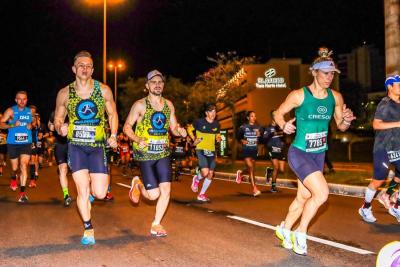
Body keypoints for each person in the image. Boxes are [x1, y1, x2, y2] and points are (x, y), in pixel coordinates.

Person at [273, 47, 355, 256]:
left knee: (303, 197)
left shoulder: (335, 97)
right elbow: (278, 112)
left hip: (318, 154)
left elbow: (341, 125)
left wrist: (345, 119)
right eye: (325, 73)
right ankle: (301, 233)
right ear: (314, 72)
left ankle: (284, 229)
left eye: (332, 74)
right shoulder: (299, 95)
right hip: (299, 152)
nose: (329, 77)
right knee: (321, 194)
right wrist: (283, 125)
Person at [54, 51, 118, 245]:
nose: (84, 68)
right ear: (74, 69)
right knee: (82, 190)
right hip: (76, 147)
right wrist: (60, 127)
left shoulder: (104, 90)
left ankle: (92, 194)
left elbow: (113, 114)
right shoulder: (65, 93)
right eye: (80, 65)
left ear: (92, 70)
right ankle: (88, 228)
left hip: (98, 147)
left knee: (99, 193)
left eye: (88, 65)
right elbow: (58, 118)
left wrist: (113, 135)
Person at [124, 70, 187, 237]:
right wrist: (137, 139)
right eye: (153, 82)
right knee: (153, 195)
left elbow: (173, 128)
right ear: (147, 86)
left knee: (166, 190)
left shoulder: (169, 105)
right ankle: (138, 183)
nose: (157, 84)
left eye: (160, 82)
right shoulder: (140, 105)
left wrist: (179, 131)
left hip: (163, 153)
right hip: (145, 153)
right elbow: (127, 127)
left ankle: (156, 224)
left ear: (163, 85)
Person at [358, 75, 400, 223]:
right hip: (383, 147)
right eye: (398, 84)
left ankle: (396, 205)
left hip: (397, 146)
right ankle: (365, 207)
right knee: (378, 180)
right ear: (390, 87)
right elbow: (376, 124)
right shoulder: (385, 103)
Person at [0, 91, 33, 203]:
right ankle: (13, 178)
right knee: (14, 168)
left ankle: (22, 193)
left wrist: (30, 125)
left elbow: (32, 124)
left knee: (23, 165)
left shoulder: (29, 112)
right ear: (16, 100)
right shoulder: (10, 110)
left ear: (27, 100)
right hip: (13, 143)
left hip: (26, 142)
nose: (22, 101)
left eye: (24, 99)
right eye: (19, 99)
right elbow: (1, 124)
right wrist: (13, 124)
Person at [190, 103, 221, 202]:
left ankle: (201, 194)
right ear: (206, 113)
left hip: (211, 151)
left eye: (214, 111)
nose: (213, 113)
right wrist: (194, 138)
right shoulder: (199, 122)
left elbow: (217, 135)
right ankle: (197, 179)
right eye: (210, 111)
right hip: (201, 149)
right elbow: (189, 129)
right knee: (205, 172)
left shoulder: (217, 124)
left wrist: (218, 138)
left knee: (210, 174)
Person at [235, 111, 262, 196]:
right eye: (252, 116)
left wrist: (259, 135)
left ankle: (241, 173)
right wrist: (242, 140)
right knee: (250, 167)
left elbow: (260, 139)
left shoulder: (258, 127)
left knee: (251, 169)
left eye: (255, 116)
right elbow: (238, 137)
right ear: (248, 118)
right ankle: (254, 189)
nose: (254, 118)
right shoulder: (243, 127)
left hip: (254, 150)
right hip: (246, 150)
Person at [48, 111, 72, 207]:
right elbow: (49, 125)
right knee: (63, 169)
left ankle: (87, 194)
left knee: (79, 172)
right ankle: (66, 195)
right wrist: (55, 126)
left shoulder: (75, 111)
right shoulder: (55, 113)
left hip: (73, 144)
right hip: (60, 145)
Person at [263, 110, 286, 192]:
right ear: (272, 117)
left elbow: (284, 137)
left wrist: (283, 142)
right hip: (272, 149)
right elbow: (264, 138)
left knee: (282, 170)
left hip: (280, 150)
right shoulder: (268, 128)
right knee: (276, 167)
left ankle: (270, 171)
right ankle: (273, 187)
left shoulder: (281, 126)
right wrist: (271, 134)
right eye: (275, 115)